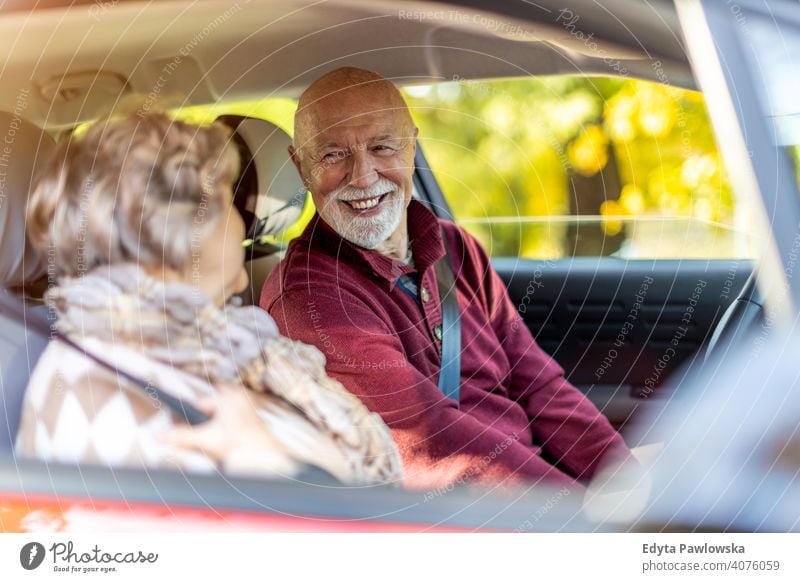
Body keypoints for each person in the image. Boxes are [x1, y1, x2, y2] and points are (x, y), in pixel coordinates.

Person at [260, 67, 634, 490]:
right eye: (332, 155)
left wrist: (628, 485)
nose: (362, 177)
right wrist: (585, 522)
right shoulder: (309, 298)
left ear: (411, 146)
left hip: (534, 489)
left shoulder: (455, 248)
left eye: (382, 147)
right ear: (300, 166)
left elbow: (541, 386)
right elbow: (438, 446)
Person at [15, 113, 402, 485]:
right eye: (226, 202)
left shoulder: (224, 339)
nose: (241, 222)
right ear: (179, 233)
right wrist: (276, 475)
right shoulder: (102, 385)